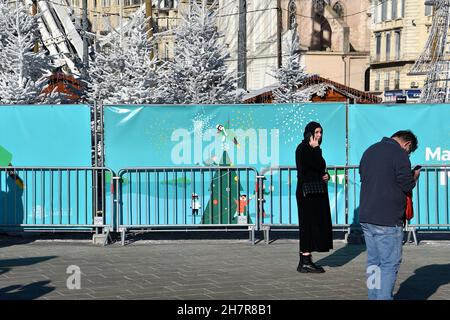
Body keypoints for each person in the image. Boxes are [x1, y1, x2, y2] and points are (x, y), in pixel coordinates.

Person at [359, 130, 420, 300]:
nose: (408, 154)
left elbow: (364, 176)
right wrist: (414, 177)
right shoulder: (399, 155)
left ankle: (373, 296)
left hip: (366, 216)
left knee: (373, 262)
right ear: (407, 144)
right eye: (410, 151)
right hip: (387, 218)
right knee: (389, 264)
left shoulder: (370, 150)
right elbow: (406, 185)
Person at [295, 121, 333, 273]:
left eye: (320, 132)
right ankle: (305, 260)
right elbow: (318, 164)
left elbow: (318, 170)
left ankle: (305, 260)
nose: (319, 135)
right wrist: (316, 150)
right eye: (316, 132)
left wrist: (325, 176)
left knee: (313, 224)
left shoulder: (310, 149)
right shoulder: (305, 148)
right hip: (307, 194)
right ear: (309, 133)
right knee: (308, 225)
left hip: (314, 192)